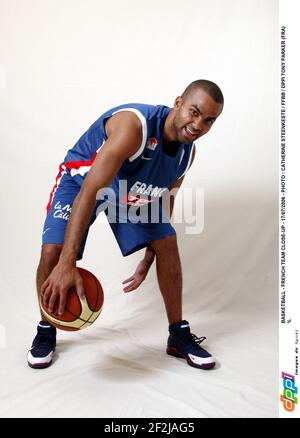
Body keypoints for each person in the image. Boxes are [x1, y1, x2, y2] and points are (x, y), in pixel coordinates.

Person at [27, 79, 224, 370]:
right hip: (83, 182)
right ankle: (46, 328)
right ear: (178, 102)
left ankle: (177, 335)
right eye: (194, 112)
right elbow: (91, 191)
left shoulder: (186, 154)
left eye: (209, 120)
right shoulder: (135, 126)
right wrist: (67, 262)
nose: (198, 125)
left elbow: (162, 205)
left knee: (168, 243)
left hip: (128, 190)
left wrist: (150, 254)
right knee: (53, 251)